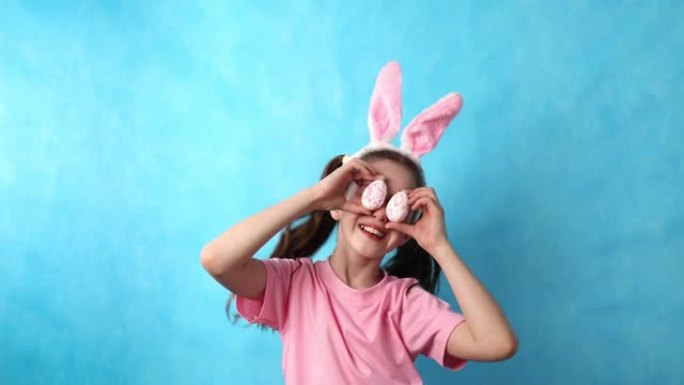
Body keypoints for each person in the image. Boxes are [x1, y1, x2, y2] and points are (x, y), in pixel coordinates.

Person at [200, 62, 518, 384]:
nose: (380, 214)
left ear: (407, 231)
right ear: (337, 204)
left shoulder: (404, 304)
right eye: (373, 194)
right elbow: (217, 260)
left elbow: (497, 343)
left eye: (397, 205)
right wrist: (316, 197)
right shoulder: (295, 284)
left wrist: (439, 245)